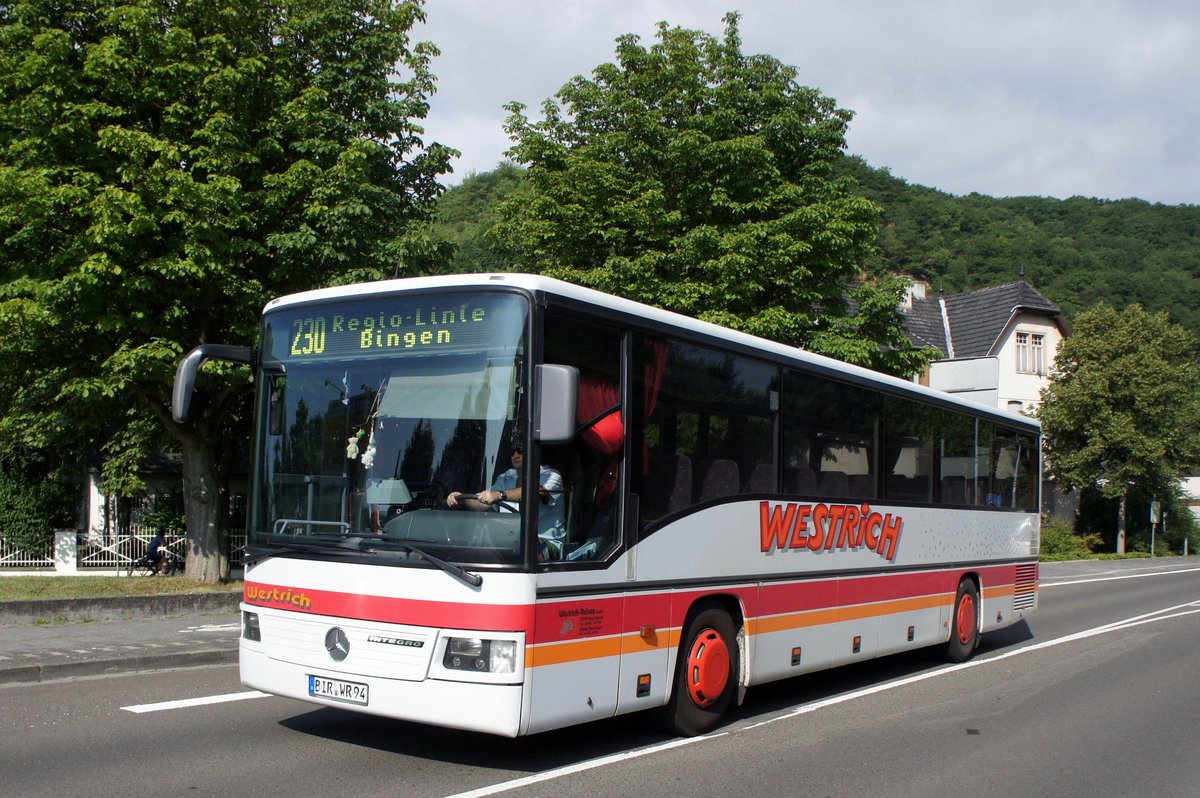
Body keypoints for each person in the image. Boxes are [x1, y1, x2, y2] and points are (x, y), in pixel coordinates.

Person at [446, 445, 565, 559]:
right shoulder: (506, 477)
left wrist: (499, 495)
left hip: (545, 545)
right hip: (508, 541)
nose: (515, 455)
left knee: (519, 547)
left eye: (520, 450)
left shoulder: (551, 476)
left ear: (533, 450)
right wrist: (460, 498)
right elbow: (482, 502)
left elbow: (535, 492)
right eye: (512, 451)